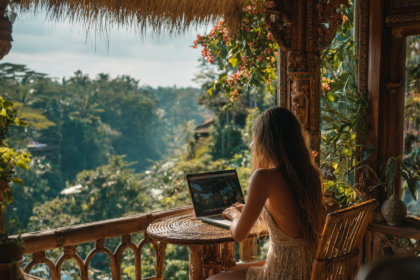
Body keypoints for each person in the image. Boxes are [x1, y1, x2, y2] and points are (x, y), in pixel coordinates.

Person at [208, 107, 325, 280]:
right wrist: (249, 208)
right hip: (308, 266)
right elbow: (286, 214)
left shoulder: (264, 177)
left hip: (282, 272)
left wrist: (235, 215)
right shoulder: (310, 175)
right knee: (229, 271)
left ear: (266, 142)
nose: (252, 145)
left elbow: (239, 235)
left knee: (213, 279)